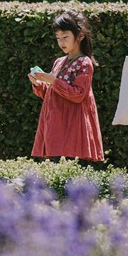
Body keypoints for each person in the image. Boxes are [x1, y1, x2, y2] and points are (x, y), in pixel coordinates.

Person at [29, 9, 104, 163]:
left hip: (73, 129)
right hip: (56, 127)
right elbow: (51, 94)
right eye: (58, 38)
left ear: (80, 36)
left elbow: (78, 94)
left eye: (65, 37)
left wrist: (53, 81)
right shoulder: (59, 62)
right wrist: (39, 84)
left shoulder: (84, 63)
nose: (61, 42)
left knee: (70, 174)